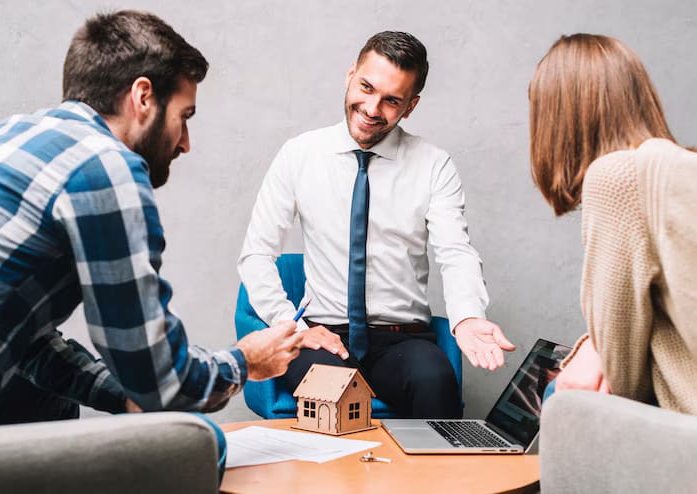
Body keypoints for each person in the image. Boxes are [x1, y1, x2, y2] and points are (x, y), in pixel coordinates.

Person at [0, 10, 303, 476]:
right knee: (198, 447)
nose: (185, 143)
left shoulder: (9, 137)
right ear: (143, 97)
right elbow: (161, 381)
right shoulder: (106, 167)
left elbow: (22, 342)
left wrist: (122, 397)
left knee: (54, 403)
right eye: (184, 117)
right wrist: (247, 361)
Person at [238, 31, 515, 419]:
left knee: (436, 381)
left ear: (411, 106)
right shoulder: (299, 155)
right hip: (324, 336)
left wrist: (468, 316)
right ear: (350, 74)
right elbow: (256, 254)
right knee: (331, 400)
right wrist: (291, 325)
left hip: (401, 340)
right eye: (366, 87)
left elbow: (456, 252)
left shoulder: (434, 165)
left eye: (391, 100)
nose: (371, 108)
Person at [529, 34, 697, 414]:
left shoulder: (618, 176)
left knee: (559, 397)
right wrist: (595, 345)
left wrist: (594, 347)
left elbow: (622, 378)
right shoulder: (678, 165)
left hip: (687, 430)